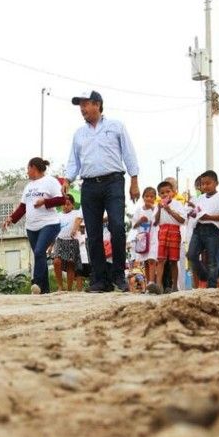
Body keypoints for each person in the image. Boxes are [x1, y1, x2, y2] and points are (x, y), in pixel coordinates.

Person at [63, 90, 140, 293]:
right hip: (88, 185)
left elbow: (129, 153)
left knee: (116, 226)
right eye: (80, 106)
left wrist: (134, 180)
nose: (82, 109)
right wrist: (67, 179)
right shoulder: (79, 134)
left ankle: (118, 275)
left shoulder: (116, 126)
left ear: (97, 104)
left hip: (113, 182)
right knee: (93, 233)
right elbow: (74, 161)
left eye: (85, 104)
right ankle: (99, 280)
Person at [2, 157, 65, 294]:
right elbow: (23, 208)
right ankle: (45, 290)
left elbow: (62, 199)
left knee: (39, 251)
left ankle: (36, 283)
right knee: (39, 255)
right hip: (31, 227)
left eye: (27, 168)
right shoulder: (28, 186)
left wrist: (45, 202)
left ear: (33, 168)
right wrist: (11, 219)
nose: (27, 172)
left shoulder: (50, 181)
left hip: (49, 224)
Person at [187, 170, 219, 288]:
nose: (205, 186)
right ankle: (204, 275)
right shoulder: (200, 198)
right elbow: (197, 212)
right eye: (203, 184)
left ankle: (211, 286)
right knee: (191, 255)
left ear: (216, 183)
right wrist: (191, 212)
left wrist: (208, 217)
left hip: (213, 230)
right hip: (198, 229)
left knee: (212, 261)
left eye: (208, 183)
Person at [153, 180, 188, 294]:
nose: (165, 194)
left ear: (173, 192)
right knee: (161, 259)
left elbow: (182, 220)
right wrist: (159, 209)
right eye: (162, 193)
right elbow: (155, 222)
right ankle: (158, 285)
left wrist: (169, 210)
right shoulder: (157, 206)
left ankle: (174, 286)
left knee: (173, 260)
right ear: (159, 195)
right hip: (162, 231)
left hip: (174, 231)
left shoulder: (178, 204)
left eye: (168, 191)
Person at [51, 194, 83, 291]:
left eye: (68, 204)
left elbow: (80, 219)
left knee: (70, 264)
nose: (65, 206)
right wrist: (50, 246)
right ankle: (60, 286)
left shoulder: (76, 213)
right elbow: (54, 231)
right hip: (59, 240)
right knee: (56, 261)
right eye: (64, 204)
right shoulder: (57, 215)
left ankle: (69, 289)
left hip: (72, 241)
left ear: (72, 205)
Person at [132, 187, 159, 291]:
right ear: (143, 197)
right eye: (146, 196)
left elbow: (157, 221)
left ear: (155, 198)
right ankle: (148, 283)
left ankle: (152, 281)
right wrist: (140, 221)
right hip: (143, 241)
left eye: (151, 196)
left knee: (152, 260)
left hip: (153, 239)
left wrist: (153, 209)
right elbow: (134, 226)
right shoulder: (139, 210)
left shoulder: (156, 209)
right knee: (146, 262)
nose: (149, 198)